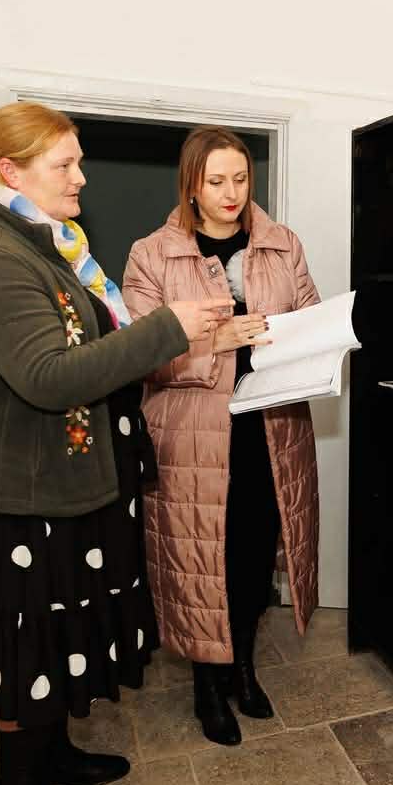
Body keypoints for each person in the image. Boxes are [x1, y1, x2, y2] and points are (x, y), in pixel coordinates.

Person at [0, 102, 232, 785]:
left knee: (57, 636)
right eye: (64, 164)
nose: (81, 178)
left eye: (79, 162)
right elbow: (48, 376)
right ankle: (20, 780)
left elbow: (86, 347)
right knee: (24, 642)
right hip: (19, 494)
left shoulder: (45, 244)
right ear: (11, 171)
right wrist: (167, 328)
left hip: (62, 482)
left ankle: (52, 753)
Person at [122, 126, 320, 746]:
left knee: (256, 554)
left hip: (271, 431)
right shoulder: (151, 255)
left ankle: (243, 668)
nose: (231, 193)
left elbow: (308, 315)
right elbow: (139, 355)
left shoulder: (282, 244)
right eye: (215, 181)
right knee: (203, 562)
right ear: (191, 185)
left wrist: (311, 340)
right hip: (193, 438)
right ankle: (207, 684)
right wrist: (217, 342)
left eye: (240, 178)